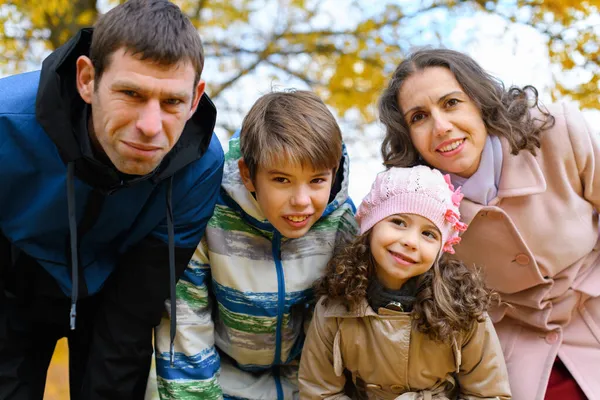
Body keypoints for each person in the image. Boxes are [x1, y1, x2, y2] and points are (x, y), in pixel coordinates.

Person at [0, 0, 224, 398]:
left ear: (194, 100)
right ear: (87, 79)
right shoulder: (4, 125)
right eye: (131, 93)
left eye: (172, 101)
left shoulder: (201, 166)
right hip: (12, 277)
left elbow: (132, 316)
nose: (150, 127)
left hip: (115, 286)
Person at [378, 48, 599, 400]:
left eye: (451, 103)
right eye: (419, 117)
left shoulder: (560, 132)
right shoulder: (418, 209)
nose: (441, 127)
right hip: (514, 347)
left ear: (480, 101)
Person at [147, 91, 358, 400]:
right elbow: (187, 325)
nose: (301, 201)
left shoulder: (341, 225)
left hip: (306, 383)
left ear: (333, 173)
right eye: (282, 180)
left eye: (316, 181)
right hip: (219, 378)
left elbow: (340, 333)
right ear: (248, 175)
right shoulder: (210, 215)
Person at [298, 166, 511, 400]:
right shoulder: (334, 306)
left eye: (429, 234)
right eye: (398, 222)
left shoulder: (463, 309)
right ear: (371, 225)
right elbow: (319, 392)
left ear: (441, 249)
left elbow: (488, 393)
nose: (410, 241)